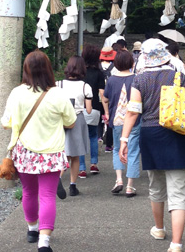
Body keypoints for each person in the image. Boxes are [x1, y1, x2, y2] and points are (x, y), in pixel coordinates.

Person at [119, 38, 185, 252]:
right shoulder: (179, 77)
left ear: (145, 57)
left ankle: (159, 229)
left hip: (151, 135)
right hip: (178, 135)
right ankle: (176, 244)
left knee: (155, 186)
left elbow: (132, 112)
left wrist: (124, 140)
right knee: (178, 192)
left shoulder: (140, 80)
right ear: (165, 55)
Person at [1, 50, 76, 252]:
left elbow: (6, 122)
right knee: (47, 195)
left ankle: (32, 229)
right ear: (48, 69)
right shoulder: (57, 94)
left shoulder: (16, 93)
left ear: (26, 70)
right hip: (51, 153)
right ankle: (44, 244)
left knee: (28, 192)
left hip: (24, 152)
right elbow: (71, 122)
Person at [102, 48, 140, 197]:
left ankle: (119, 180)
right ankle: (130, 187)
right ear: (131, 62)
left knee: (118, 148)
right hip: (134, 120)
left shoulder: (111, 80)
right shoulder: (137, 78)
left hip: (117, 120)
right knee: (133, 151)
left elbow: (105, 98)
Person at [57, 55, 93, 196]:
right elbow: (89, 110)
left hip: (60, 121)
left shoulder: (58, 84)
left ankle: (58, 178)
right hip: (77, 120)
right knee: (76, 156)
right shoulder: (85, 86)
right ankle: (73, 186)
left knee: (63, 154)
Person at [79, 45, 105, 176]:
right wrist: (107, 111)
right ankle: (93, 164)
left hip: (79, 108)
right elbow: (102, 94)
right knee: (93, 136)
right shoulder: (100, 73)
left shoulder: (79, 73)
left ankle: (82, 168)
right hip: (94, 108)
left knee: (81, 138)